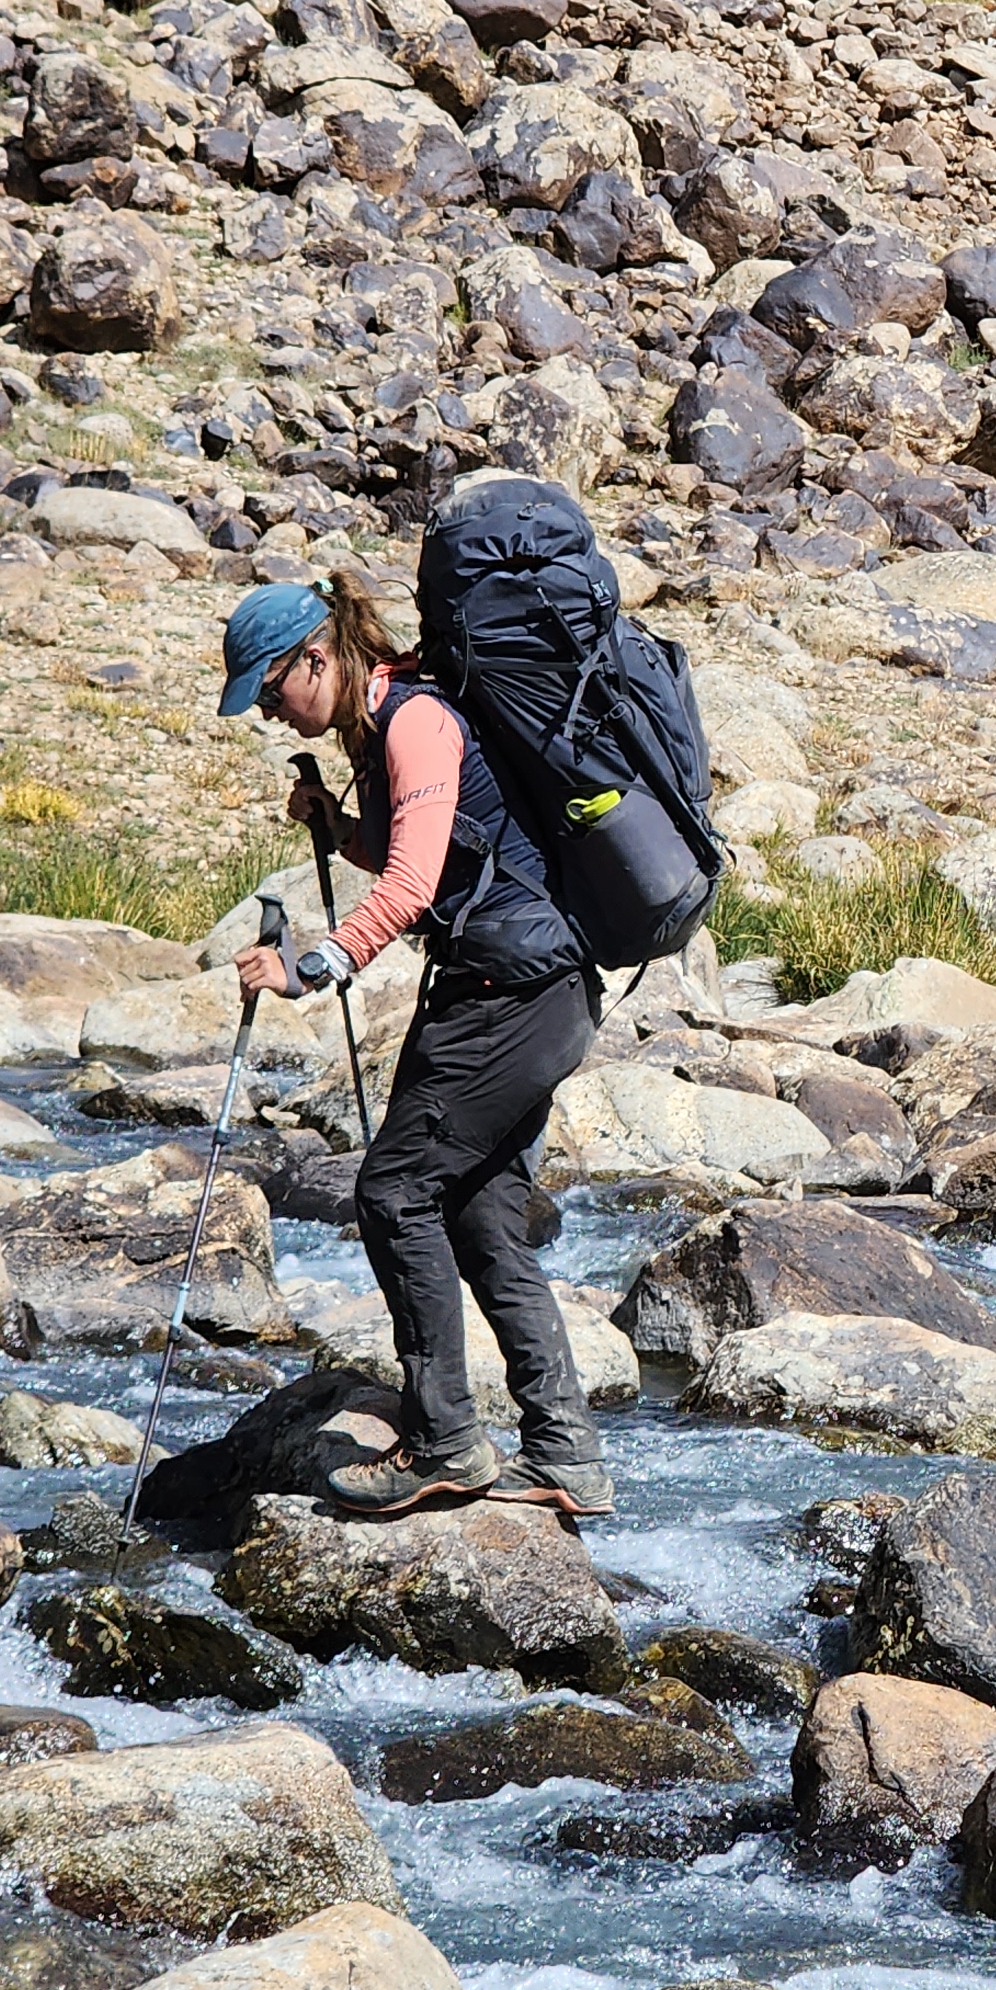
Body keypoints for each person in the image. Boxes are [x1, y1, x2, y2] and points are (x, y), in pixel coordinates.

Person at [217, 571, 614, 1519]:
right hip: (527, 992)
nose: (270, 715)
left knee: (394, 1193)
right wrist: (338, 826)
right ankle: (566, 1455)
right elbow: (432, 853)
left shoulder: (418, 721)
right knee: (481, 1218)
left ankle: (444, 1443)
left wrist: (313, 966)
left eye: (271, 692)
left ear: (318, 657)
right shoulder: (385, 722)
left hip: (512, 998)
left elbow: (410, 887)